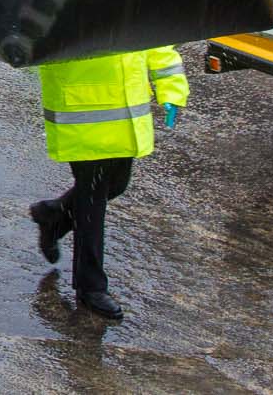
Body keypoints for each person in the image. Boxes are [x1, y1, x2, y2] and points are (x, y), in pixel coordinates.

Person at [28, 46, 189, 320]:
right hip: (83, 109)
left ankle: (54, 215)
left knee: (115, 185)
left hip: (126, 112)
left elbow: (158, 41)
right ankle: (91, 286)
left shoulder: (137, 13)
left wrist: (172, 88)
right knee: (92, 200)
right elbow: (42, 43)